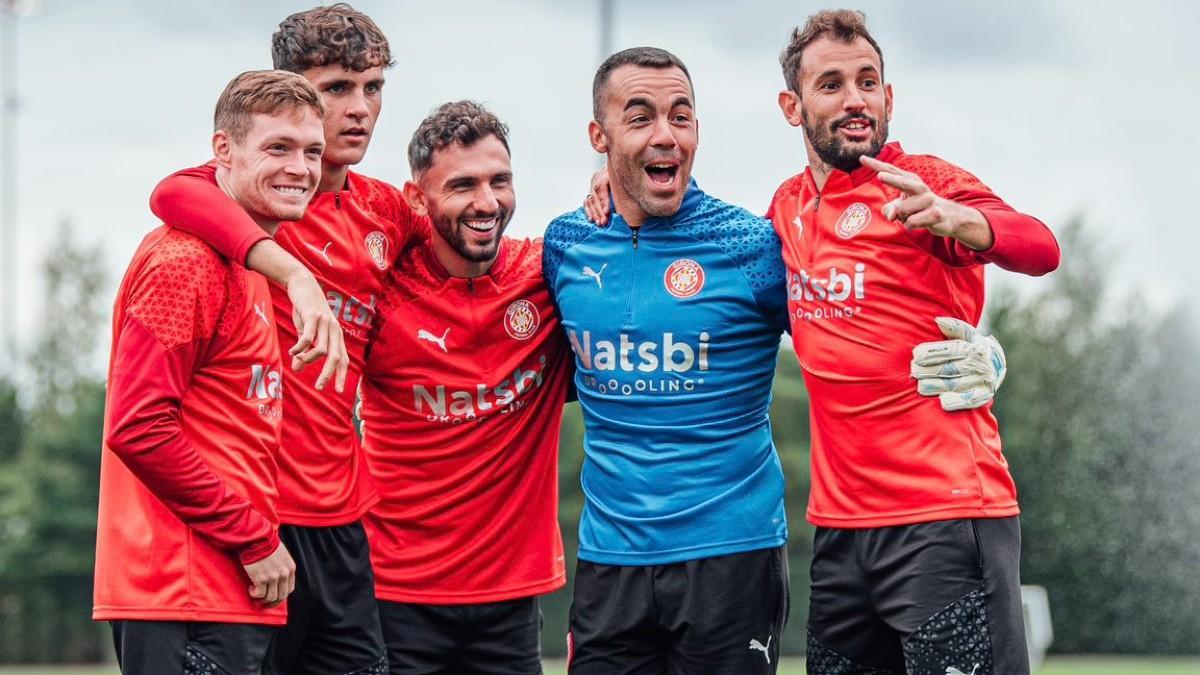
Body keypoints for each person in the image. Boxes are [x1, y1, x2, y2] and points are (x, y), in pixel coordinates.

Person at [767, 10, 1060, 675]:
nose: (855, 99)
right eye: (832, 84)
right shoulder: (785, 208)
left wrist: (967, 221)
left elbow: (1041, 248)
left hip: (947, 518)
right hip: (840, 537)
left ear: (889, 97)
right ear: (794, 105)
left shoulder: (923, 183)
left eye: (868, 81)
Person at [147, 5, 426, 673]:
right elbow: (169, 192)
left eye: (374, 87)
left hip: (343, 525)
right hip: (255, 522)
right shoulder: (246, 198)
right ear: (294, 94)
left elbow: (470, 232)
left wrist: (604, 201)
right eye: (336, 88)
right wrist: (290, 270)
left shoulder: (384, 209)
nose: (359, 108)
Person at [93, 70, 325, 675]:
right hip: (182, 590)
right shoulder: (184, 262)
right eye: (278, 148)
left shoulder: (245, 261)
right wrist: (252, 537)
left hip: (227, 590)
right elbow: (138, 426)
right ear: (222, 150)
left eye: (312, 152)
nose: (300, 168)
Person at [359, 100, 572, 674]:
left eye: (499, 181)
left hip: (512, 600)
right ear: (415, 198)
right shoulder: (381, 290)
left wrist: (612, 184)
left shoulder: (545, 276)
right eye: (462, 185)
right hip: (394, 595)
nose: (486, 202)